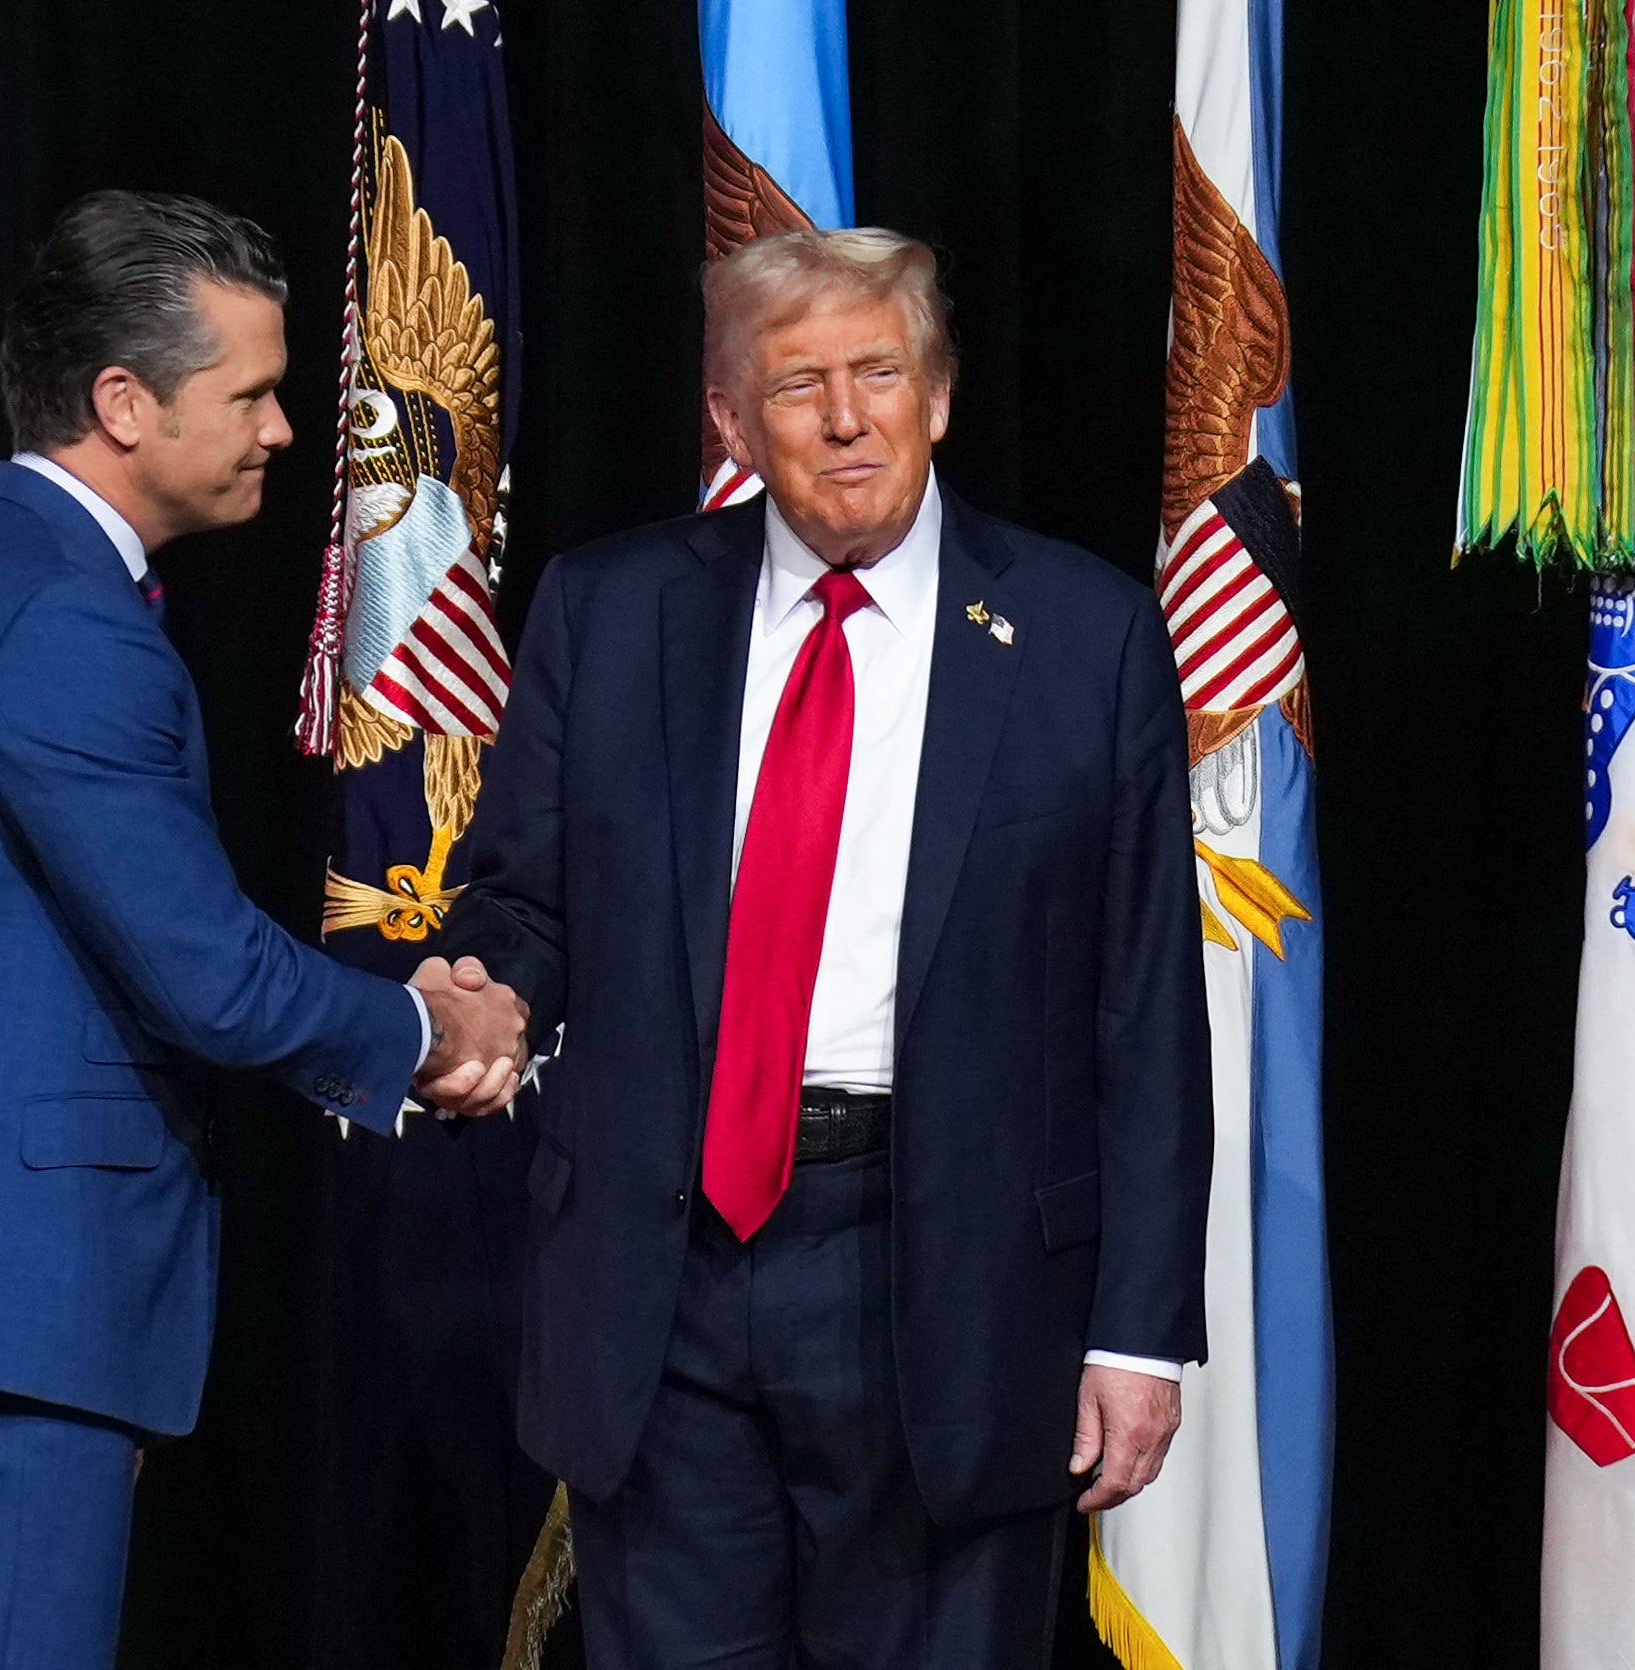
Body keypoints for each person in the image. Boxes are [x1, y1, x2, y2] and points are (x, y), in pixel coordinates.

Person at [0, 189, 527, 1670]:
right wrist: (431, 1030)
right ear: (123, 403)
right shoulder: (58, 617)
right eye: (250, 393)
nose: (283, 430)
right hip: (2, 1308)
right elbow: (209, 975)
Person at [439, 227, 1215, 1666]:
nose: (848, 417)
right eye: (800, 385)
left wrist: (1137, 1332)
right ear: (732, 421)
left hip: (955, 1284)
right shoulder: (609, 611)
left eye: (881, 373)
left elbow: (1146, 1007)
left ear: (941, 394)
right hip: (661, 1279)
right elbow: (524, 899)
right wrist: (477, 988)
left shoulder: (1084, 634)